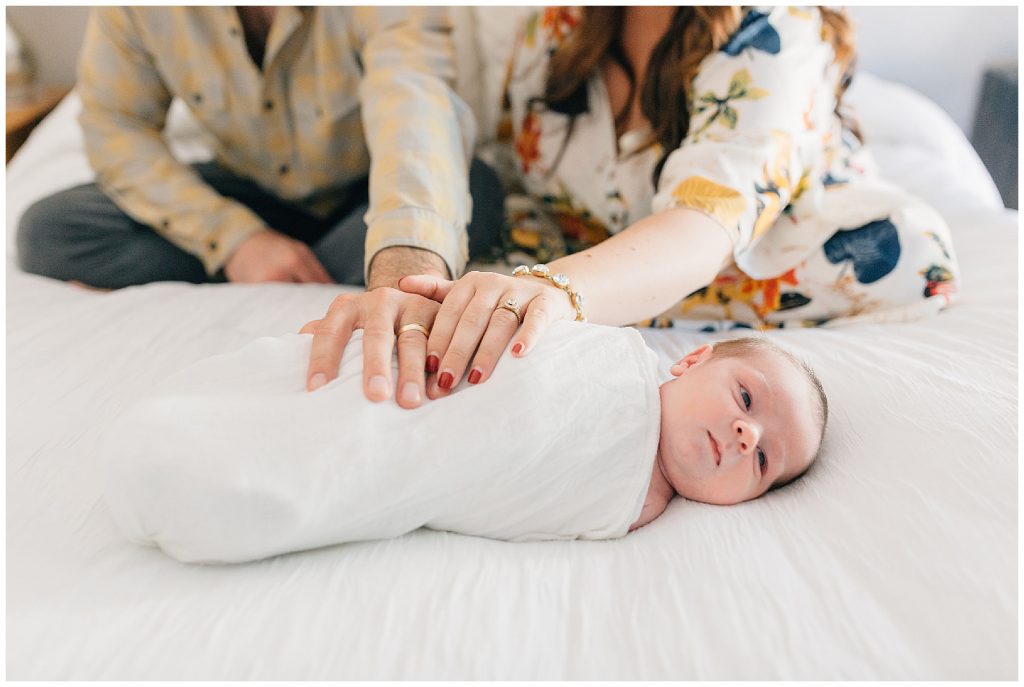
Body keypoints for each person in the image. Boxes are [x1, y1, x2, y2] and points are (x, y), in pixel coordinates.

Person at [302, 6, 959, 407]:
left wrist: (553, 292)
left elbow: (706, 223)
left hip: (745, 237)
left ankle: (612, 284)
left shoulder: (777, 30)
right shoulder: (559, 28)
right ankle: (612, 281)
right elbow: (515, 172)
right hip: (582, 232)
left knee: (898, 255)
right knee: (475, 225)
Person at [102, 325, 827, 564]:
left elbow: (485, 487)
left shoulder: (631, 508)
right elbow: (513, 365)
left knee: (371, 467)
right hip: (430, 388)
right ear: (692, 360)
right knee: (361, 399)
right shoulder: (610, 351)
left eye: (764, 461)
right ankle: (199, 435)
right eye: (746, 399)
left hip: (428, 461)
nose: (744, 435)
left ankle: (216, 475)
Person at [17, 7, 503, 295]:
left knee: (474, 187)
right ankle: (287, 271)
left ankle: (295, 274)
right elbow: (115, 124)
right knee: (50, 229)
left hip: (369, 189)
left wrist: (402, 273)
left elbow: (413, 110)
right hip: (253, 195)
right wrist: (236, 240)